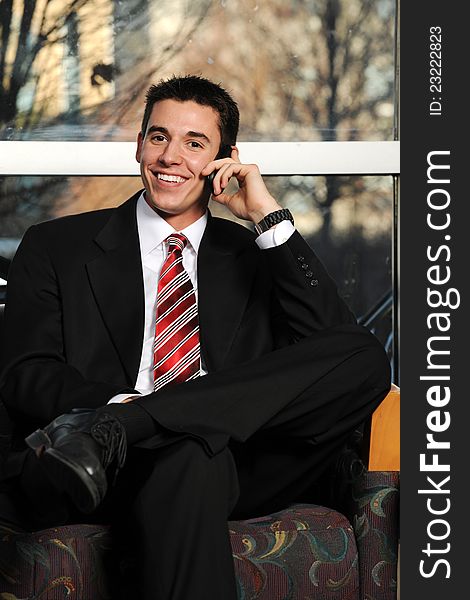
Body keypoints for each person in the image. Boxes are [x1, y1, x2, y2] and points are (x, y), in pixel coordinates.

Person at [0, 74, 391, 599]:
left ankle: (128, 423)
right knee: (186, 452)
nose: (170, 157)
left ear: (223, 159)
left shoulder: (255, 254)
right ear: (139, 144)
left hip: (239, 463)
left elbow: (334, 349)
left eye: (194, 143)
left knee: (364, 355)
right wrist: (123, 410)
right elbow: (27, 373)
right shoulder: (56, 246)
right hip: (98, 469)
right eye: (159, 137)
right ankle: (134, 425)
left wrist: (266, 218)